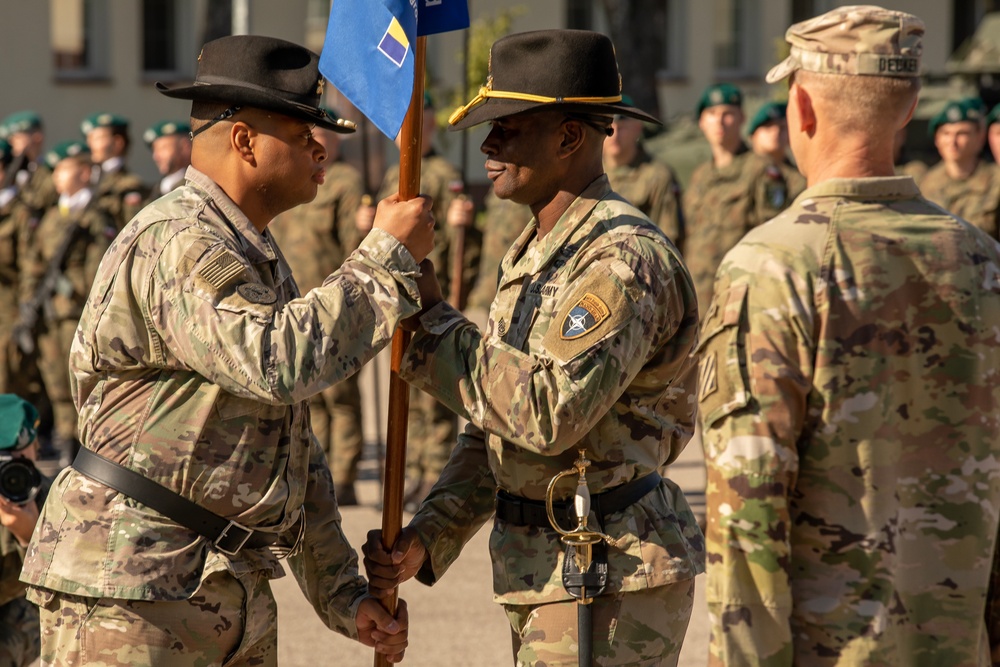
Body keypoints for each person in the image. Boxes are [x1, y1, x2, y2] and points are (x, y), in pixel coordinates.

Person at [20, 34, 434, 665]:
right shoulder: (179, 240)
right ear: (244, 141)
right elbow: (278, 363)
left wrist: (345, 596)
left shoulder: (252, 254)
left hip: (217, 584)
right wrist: (385, 258)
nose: (322, 149)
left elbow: (293, 451)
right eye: (303, 135)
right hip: (131, 591)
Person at [362, 29, 704, 666]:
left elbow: (546, 414)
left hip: (607, 571)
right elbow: (496, 428)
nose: (488, 144)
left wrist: (435, 323)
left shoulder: (620, 258)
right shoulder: (536, 250)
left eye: (508, 127)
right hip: (550, 566)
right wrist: (429, 534)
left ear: (569, 136)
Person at [698, 6, 1000, 664]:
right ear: (911, 105)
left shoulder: (773, 265)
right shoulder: (983, 261)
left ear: (800, 107)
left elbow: (746, 512)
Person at [356, 91, 482, 510]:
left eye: (416, 118)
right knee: (405, 380)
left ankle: (434, 473)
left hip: (432, 290)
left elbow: (462, 241)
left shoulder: (443, 172)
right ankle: (413, 471)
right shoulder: (392, 174)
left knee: (436, 387)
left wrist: (458, 222)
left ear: (429, 121)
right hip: (399, 293)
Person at [269, 106, 366, 506]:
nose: (318, 142)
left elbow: (352, 249)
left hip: (332, 303)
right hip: (294, 302)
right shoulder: (291, 176)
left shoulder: (344, 181)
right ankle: (318, 466)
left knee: (341, 395)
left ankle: (343, 475)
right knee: (309, 396)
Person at [17, 140, 117, 474]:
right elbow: (32, 262)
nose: (58, 178)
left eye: (65, 171)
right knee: (55, 385)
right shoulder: (51, 216)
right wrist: (29, 301)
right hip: (48, 316)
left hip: (75, 315)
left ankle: (83, 449)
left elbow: (99, 270)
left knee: (81, 385)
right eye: (56, 172)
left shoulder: (93, 216)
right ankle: (64, 447)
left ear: (85, 173)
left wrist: (72, 290)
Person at [683, 83, 795, 312]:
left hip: (740, 296)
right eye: (712, 114)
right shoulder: (700, 176)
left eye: (728, 114)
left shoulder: (761, 170)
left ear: (742, 118)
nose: (720, 121)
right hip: (698, 298)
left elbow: (773, 239)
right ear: (702, 123)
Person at [603, 93, 685, 246]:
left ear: (637, 128)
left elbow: (666, 238)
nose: (614, 135)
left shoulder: (656, 175)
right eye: (609, 127)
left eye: (621, 128)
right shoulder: (588, 173)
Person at [0, 394, 45, 667]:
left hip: (16, 615)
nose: (9, 475)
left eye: (19, 463)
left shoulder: (49, 497)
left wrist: (30, 540)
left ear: (36, 449)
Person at [919, 97, 1000, 237]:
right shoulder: (923, 183)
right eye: (946, 133)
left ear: (980, 136)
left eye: (962, 133)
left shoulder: (996, 181)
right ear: (936, 139)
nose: (952, 142)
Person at [80, 111, 149, 231]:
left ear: (118, 142)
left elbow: (133, 229)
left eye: (97, 138)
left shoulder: (129, 184)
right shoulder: (89, 177)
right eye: (89, 139)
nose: (90, 145)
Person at [747, 100, 807, 197]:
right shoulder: (740, 172)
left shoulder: (800, 176)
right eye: (768, 127)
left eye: (782, 127)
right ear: (753, 135)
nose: (776, 132)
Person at [142, 120, 192, 202]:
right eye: (154, 150)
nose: (156, 156)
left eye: (163, 148)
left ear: (185, 147)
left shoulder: (196, 186)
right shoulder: (156, 190)